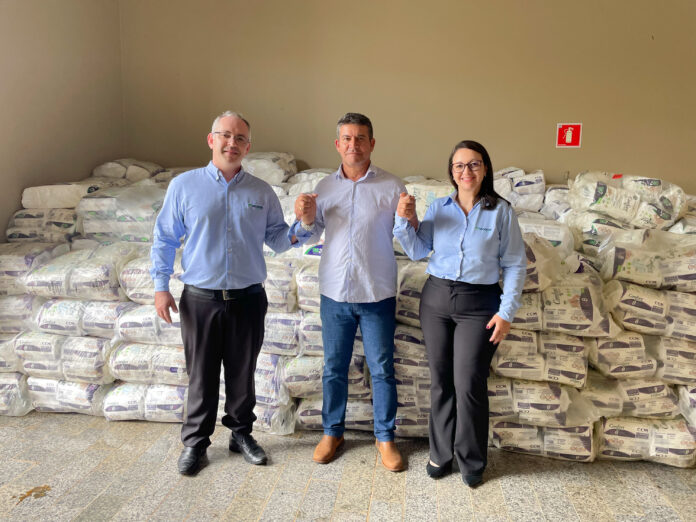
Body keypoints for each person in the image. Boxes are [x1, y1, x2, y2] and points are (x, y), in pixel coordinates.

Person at [151, 110, 315, 475]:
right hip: (200, 299)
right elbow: (164, 238)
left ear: (248, 147)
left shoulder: (261, 192)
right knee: (201, 375)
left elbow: (278, 240)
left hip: (247, 299)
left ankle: (241, 434)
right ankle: (196, 443)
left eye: (240, 138)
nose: (232, 143)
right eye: (225, 135)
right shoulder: (184, 186)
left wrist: (303, 224)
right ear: (211, 140)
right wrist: (161, 287)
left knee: (243, 373)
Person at [393, 140, 526, 487]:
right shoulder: (440, 207)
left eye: (474, 164)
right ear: (451, 172)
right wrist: (404, 220)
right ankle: (441, 453)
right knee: (441, 380)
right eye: (459, 165)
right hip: (436, 298)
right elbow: (418, 250)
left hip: (479, 304)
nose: (466, 171)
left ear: (485, 168)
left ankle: (471, 459)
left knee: (468, 382)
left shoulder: (501, 211)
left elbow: (515, 264)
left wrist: (506, 312)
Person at [290, 113, 406, 471]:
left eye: (360, 138)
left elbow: (410, 238)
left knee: (382, 369)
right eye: (347, 138)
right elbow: (307, 237)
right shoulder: (323, 187)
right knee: (334, 367)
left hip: (377, 293)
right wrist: (305, 218)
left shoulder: (392, 186)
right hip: (335, 293)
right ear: (337, 145)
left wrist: (413, 218)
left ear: (372, 143)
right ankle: (332, 432)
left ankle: (385, 438)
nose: (353, 144)